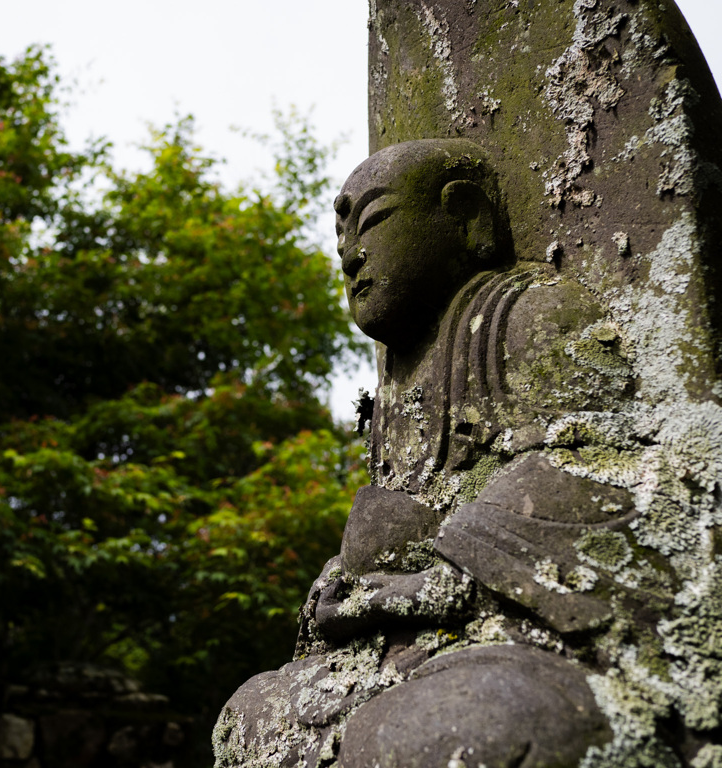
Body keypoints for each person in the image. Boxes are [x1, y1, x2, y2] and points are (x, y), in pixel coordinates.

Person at [212, 140, 644, 768]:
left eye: (374, 222)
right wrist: (343, 587)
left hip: (512, 634)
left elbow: (598, 469)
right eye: (340, 242)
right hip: (400, 648)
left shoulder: (528, 316)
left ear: (465, 216)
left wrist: (440, 580)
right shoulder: (396, 385)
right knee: (252, 713)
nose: (349, 255)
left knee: (455, 729)